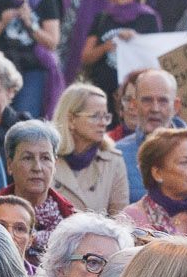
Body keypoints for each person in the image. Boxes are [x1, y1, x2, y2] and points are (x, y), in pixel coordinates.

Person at [47, 82, 131, 218]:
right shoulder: (46, 156)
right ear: (71, 119)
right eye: (95, 116)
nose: (103, 122)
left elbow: (120, 219)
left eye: (106, 116)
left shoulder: (113, 161)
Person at [112, 68, 185, 203]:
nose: (155, 108)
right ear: (134, 104)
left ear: (176, 105)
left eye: (163, 101)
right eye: (147, 100)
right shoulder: (118, 155)